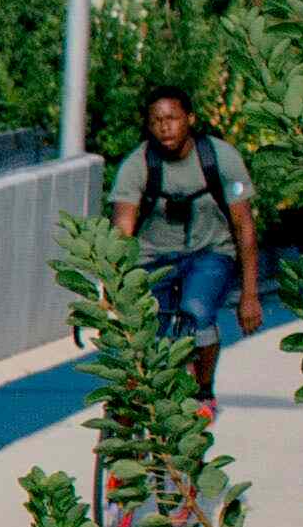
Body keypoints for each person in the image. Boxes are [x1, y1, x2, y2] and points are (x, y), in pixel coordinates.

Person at [112, 82, 266, 398]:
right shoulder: (136, 165)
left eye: (172, 118)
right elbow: (122, 230)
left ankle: (203, 390)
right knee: (141, 337)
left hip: (210, 253)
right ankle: (125, 425)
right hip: (152, 260)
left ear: (190, 119)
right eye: (155, 120)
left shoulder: (222, 158)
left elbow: (244, 226)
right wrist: (112, 285)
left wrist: (249, 295)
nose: (164, 127)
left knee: (196, 311)